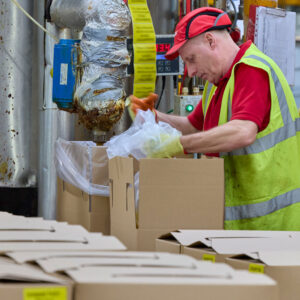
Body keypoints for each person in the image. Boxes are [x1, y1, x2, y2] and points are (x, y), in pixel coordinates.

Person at [129, 7, 300, 231]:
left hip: (270, 225)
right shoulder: (218, 83)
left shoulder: (251, 71)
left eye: (191, 59)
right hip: (243, 222)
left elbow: (243, 131)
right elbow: (192, 126)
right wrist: (153, 116)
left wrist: (179, 145)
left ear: (210, 41)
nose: (189, 72)